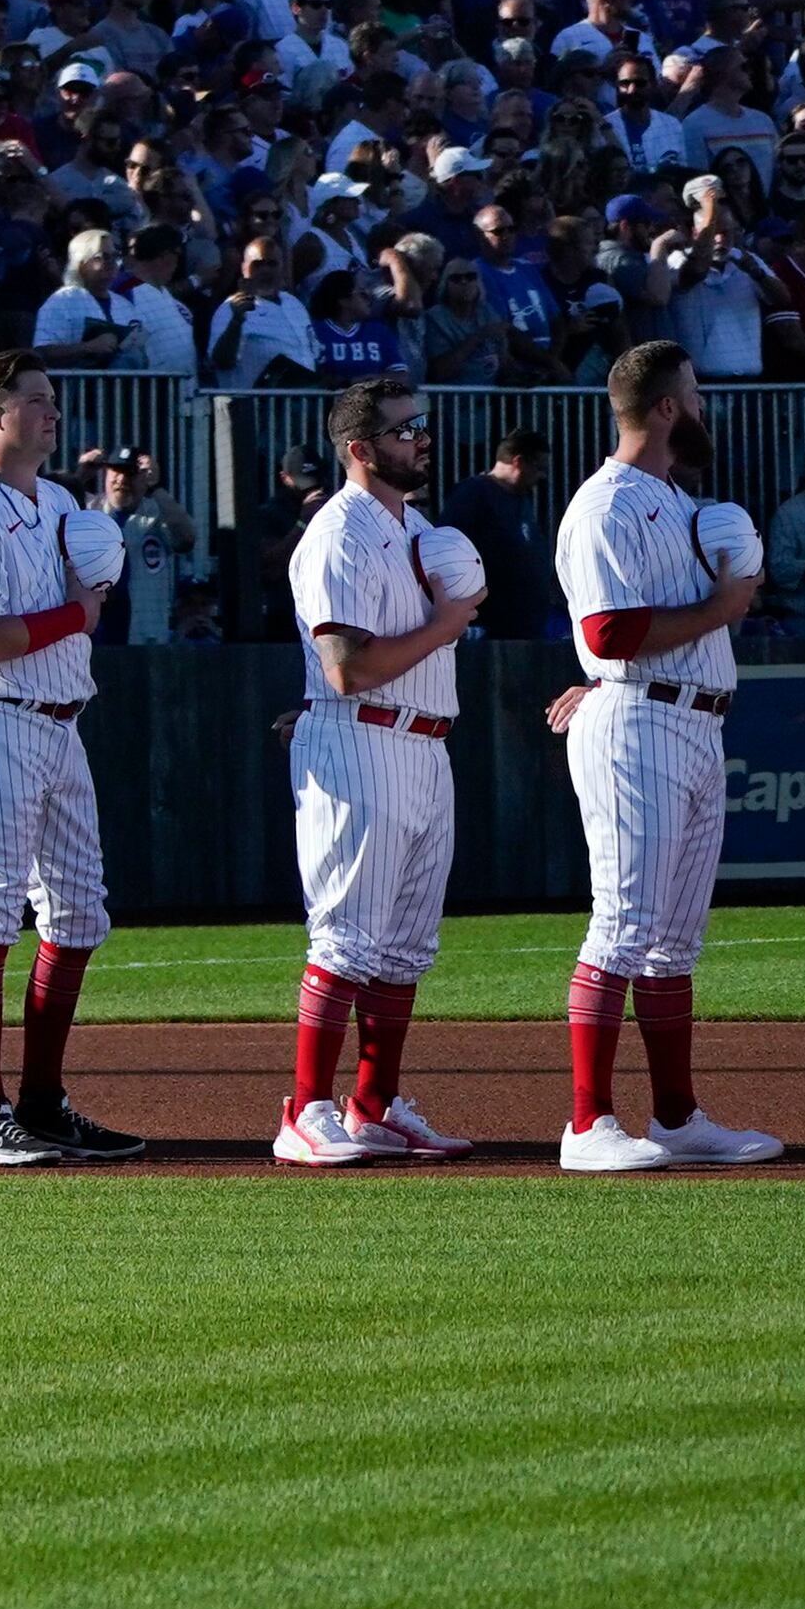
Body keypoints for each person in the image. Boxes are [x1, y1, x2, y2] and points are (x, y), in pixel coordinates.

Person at [549, 343, 779, 1170]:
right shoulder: (607, 505)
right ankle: (587, 1125)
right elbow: (608, 635)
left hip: (693, 722)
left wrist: (722, 605)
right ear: (668, 407)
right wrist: (725, 605)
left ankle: (678, 1118)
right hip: (641, 723)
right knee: (621, 925)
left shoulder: (675, 500)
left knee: (673, 942)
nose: (707, 406)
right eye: (698, 393)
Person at [0, 349, 140, 1168]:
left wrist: (66, 616)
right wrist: (78, 613)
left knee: (80, 914)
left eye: (52, 400)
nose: (52, 413)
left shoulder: (59, 503)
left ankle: (42, 1103)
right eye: (35, 401)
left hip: (58, 720)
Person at [276, 377, 485, 1168]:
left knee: (402, 948)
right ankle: (305, 1110)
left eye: (423, 424)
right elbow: (346, 669)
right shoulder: (338, 535)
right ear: (361, 450)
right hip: (362, 736)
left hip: (424, 742)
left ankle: (374, 1104)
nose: (422, 439)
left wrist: (450, 613)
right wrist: (447, 622)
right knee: (347, 937)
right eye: (405, 430)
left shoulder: (417, 526)